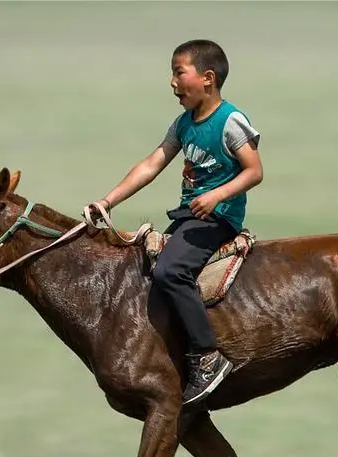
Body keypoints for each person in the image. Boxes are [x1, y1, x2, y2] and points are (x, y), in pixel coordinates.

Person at [84, 39, 263, 406]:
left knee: (170, 272)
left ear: (207, 78)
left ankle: (208, 356)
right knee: (146, 272)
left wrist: (216, 195)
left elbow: (255, 171)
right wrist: (108, 201)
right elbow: (152, 164)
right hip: (189, 217)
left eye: (179, 72)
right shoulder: (183, 124)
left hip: (218, 218)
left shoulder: (230, 120)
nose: (172, 82)